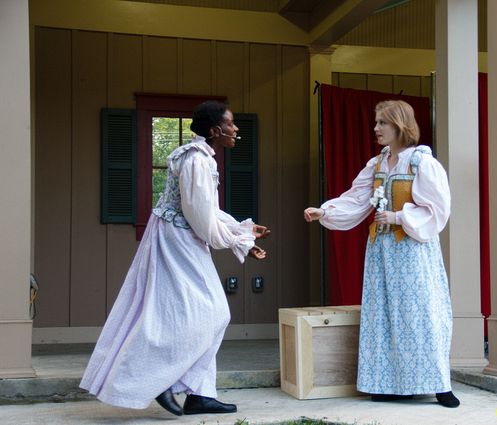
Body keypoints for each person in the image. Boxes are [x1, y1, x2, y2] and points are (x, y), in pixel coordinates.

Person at [80, 100, 269, 415]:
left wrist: (241, 228)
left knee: (206, 313)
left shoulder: (200, 157)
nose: (236, 129)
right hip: (177, 240)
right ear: (214, 130)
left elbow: (205, 210)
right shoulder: (196, 161)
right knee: (204, 313)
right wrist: (240, 241)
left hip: (183, 237)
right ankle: (162, 381)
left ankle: (199, 393)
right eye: (231, 123)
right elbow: (200, 218)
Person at [304, 100, 460, 408]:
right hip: (381, 251)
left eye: (382, 123)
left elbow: (438, 210)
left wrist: (399, 217)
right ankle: (389, 384)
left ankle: (438, 383)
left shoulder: (421, 163)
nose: (376, 129)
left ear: (399, 125)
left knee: (421, 314)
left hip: (413, 250)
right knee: (383, 316)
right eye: (376, 123)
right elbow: (357, 198)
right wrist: (324, 211)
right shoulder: (377, 164)